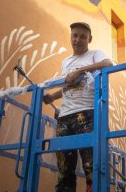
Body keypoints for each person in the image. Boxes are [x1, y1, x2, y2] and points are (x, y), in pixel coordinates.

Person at [43, 22, 113, 192]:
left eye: (82, 36)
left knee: (92, 166)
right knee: (64, 168)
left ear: (90, 39)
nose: (78, 39)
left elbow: (108, 63)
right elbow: (69, 86)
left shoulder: (95, 54)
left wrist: (81, 70)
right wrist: (53, 96)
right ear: (70, 37)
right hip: (65, 116)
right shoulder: (65, 61)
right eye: (75, 35)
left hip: (87, 114)